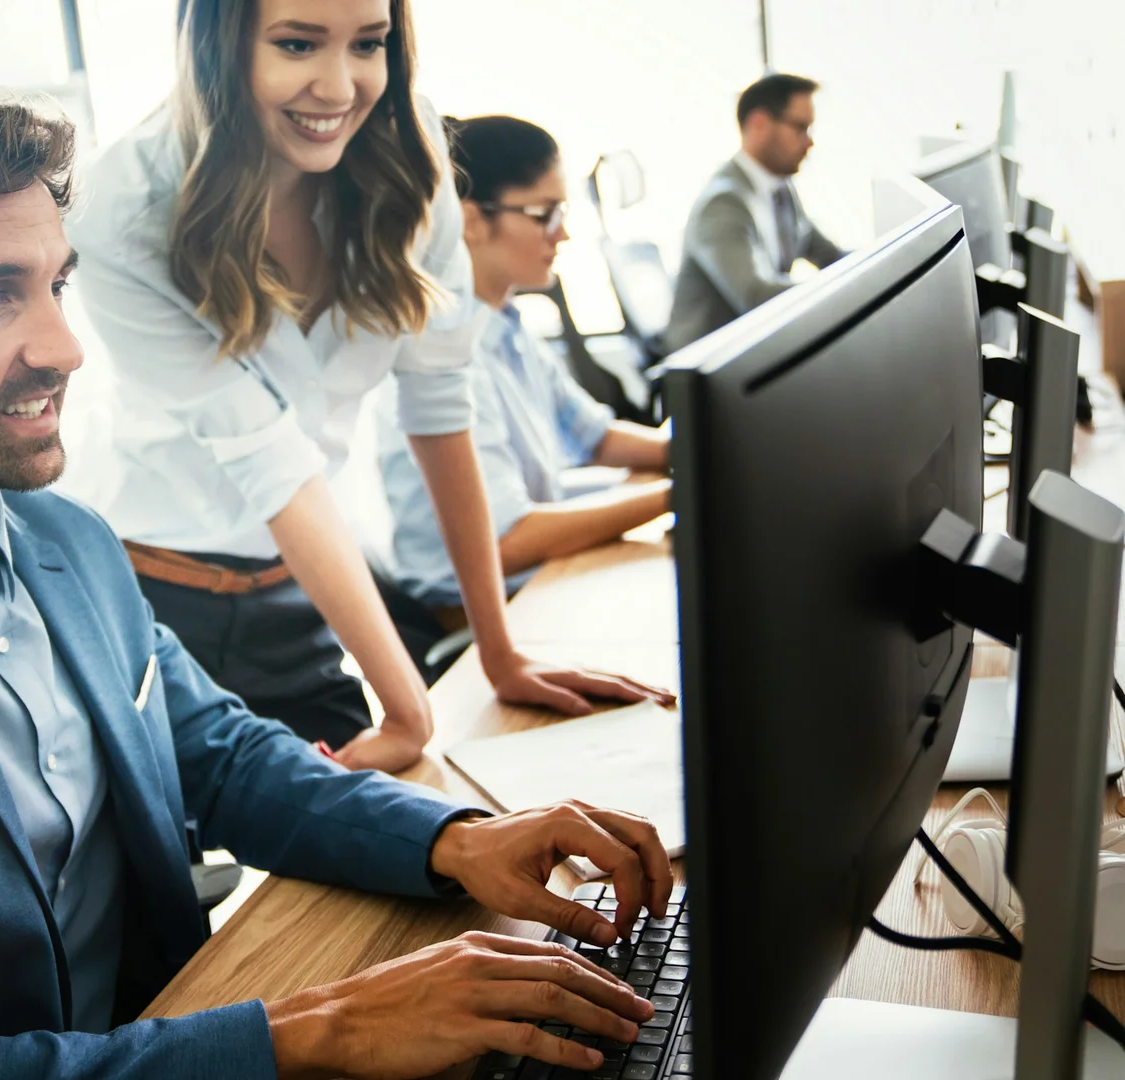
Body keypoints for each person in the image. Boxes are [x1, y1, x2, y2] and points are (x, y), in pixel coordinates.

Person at [0, 88, 675, 1080]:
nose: (65, 347)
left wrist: (454, 841)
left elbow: (218, 756)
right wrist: (321, 1029)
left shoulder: (66, 543)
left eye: (54, 284)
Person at [62, 0, 670, 773]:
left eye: (368, 44)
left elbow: (439, 403)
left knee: (397, 816)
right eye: (296, 43)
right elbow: (270, 459)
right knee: (175, 869)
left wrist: (499, 653)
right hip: (147, 595)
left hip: (300, 584)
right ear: (217, 45)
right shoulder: (125, 206)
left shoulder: (407, 153)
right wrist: (408, 706)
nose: (340, 86)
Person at [377, 115, 673, 615]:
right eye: (545, 213)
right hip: (479, 612)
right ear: (470, 220)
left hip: (532, 581)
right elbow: (507, 541)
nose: (563, 236)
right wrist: (676, 494)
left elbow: (593, 437)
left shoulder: (507, 326)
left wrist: (698, 447)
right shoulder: (444, 354)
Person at [661, 73, 847, 354]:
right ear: (759, 123)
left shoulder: (781, 191)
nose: (809, 143)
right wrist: (841, 294)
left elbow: (829, 255)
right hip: (712, 371)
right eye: (800, 128)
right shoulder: (723, 203)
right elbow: (756, 295)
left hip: (754, 354)